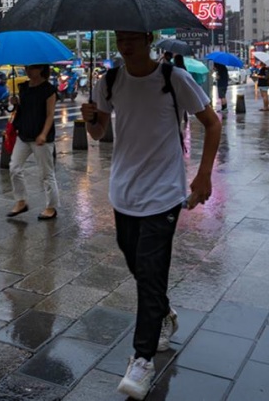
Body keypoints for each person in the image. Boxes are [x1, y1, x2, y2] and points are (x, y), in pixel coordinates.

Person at [80, 31, 221, 400]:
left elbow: (213, 122)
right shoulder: (108, 80)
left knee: (150, 270)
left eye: (132, 38)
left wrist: (204, 174)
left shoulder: (173, 79)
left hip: (164, 194)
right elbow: (97, 135)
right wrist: (89, 119)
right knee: (138, 265)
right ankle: (164, 311)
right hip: (123, 191)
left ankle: (142, 359)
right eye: (119, 38)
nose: (125, 45)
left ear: (148, 40)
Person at [6, 64, 59, 221]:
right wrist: (14, 102)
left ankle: (51, 207)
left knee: (46, 174)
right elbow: (20, 110)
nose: (28, 71)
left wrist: (43, 134)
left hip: (41, 138)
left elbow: (50, 115)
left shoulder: (48, 90)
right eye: (27, 68)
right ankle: (21, 201)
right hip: (23, 134)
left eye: (32, 68)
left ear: (41, 69)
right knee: (14, 168)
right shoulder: (23, 87)